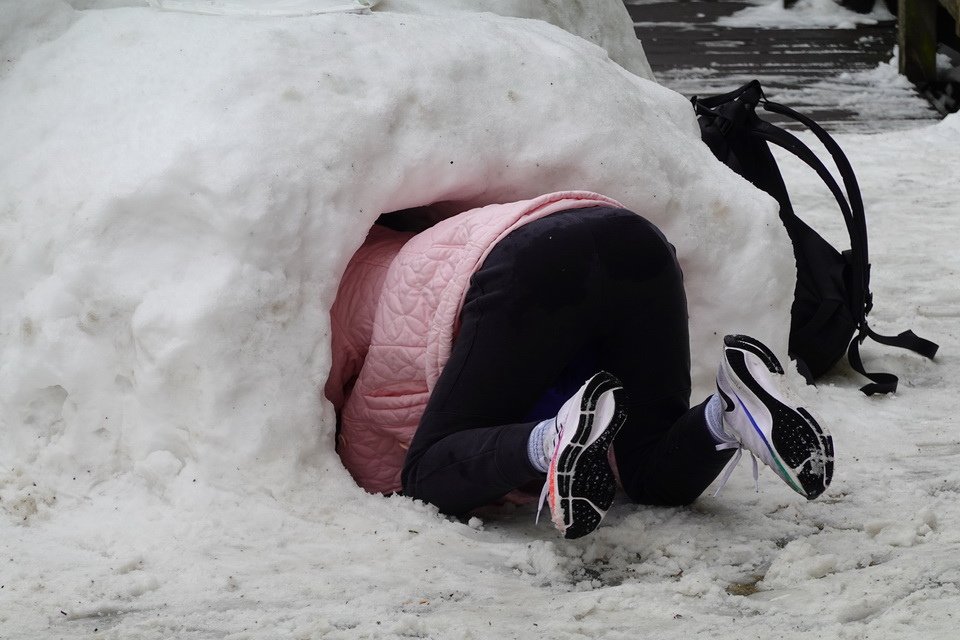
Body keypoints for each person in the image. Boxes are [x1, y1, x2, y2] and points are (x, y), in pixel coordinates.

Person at [325, 191, 834, 539]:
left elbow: (370, 432)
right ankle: (727, 413)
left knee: (425, 473)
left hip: (533, 267)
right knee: (648, 468)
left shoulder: (340, 283)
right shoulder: (432, 235)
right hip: (638, 244)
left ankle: (554, 439)